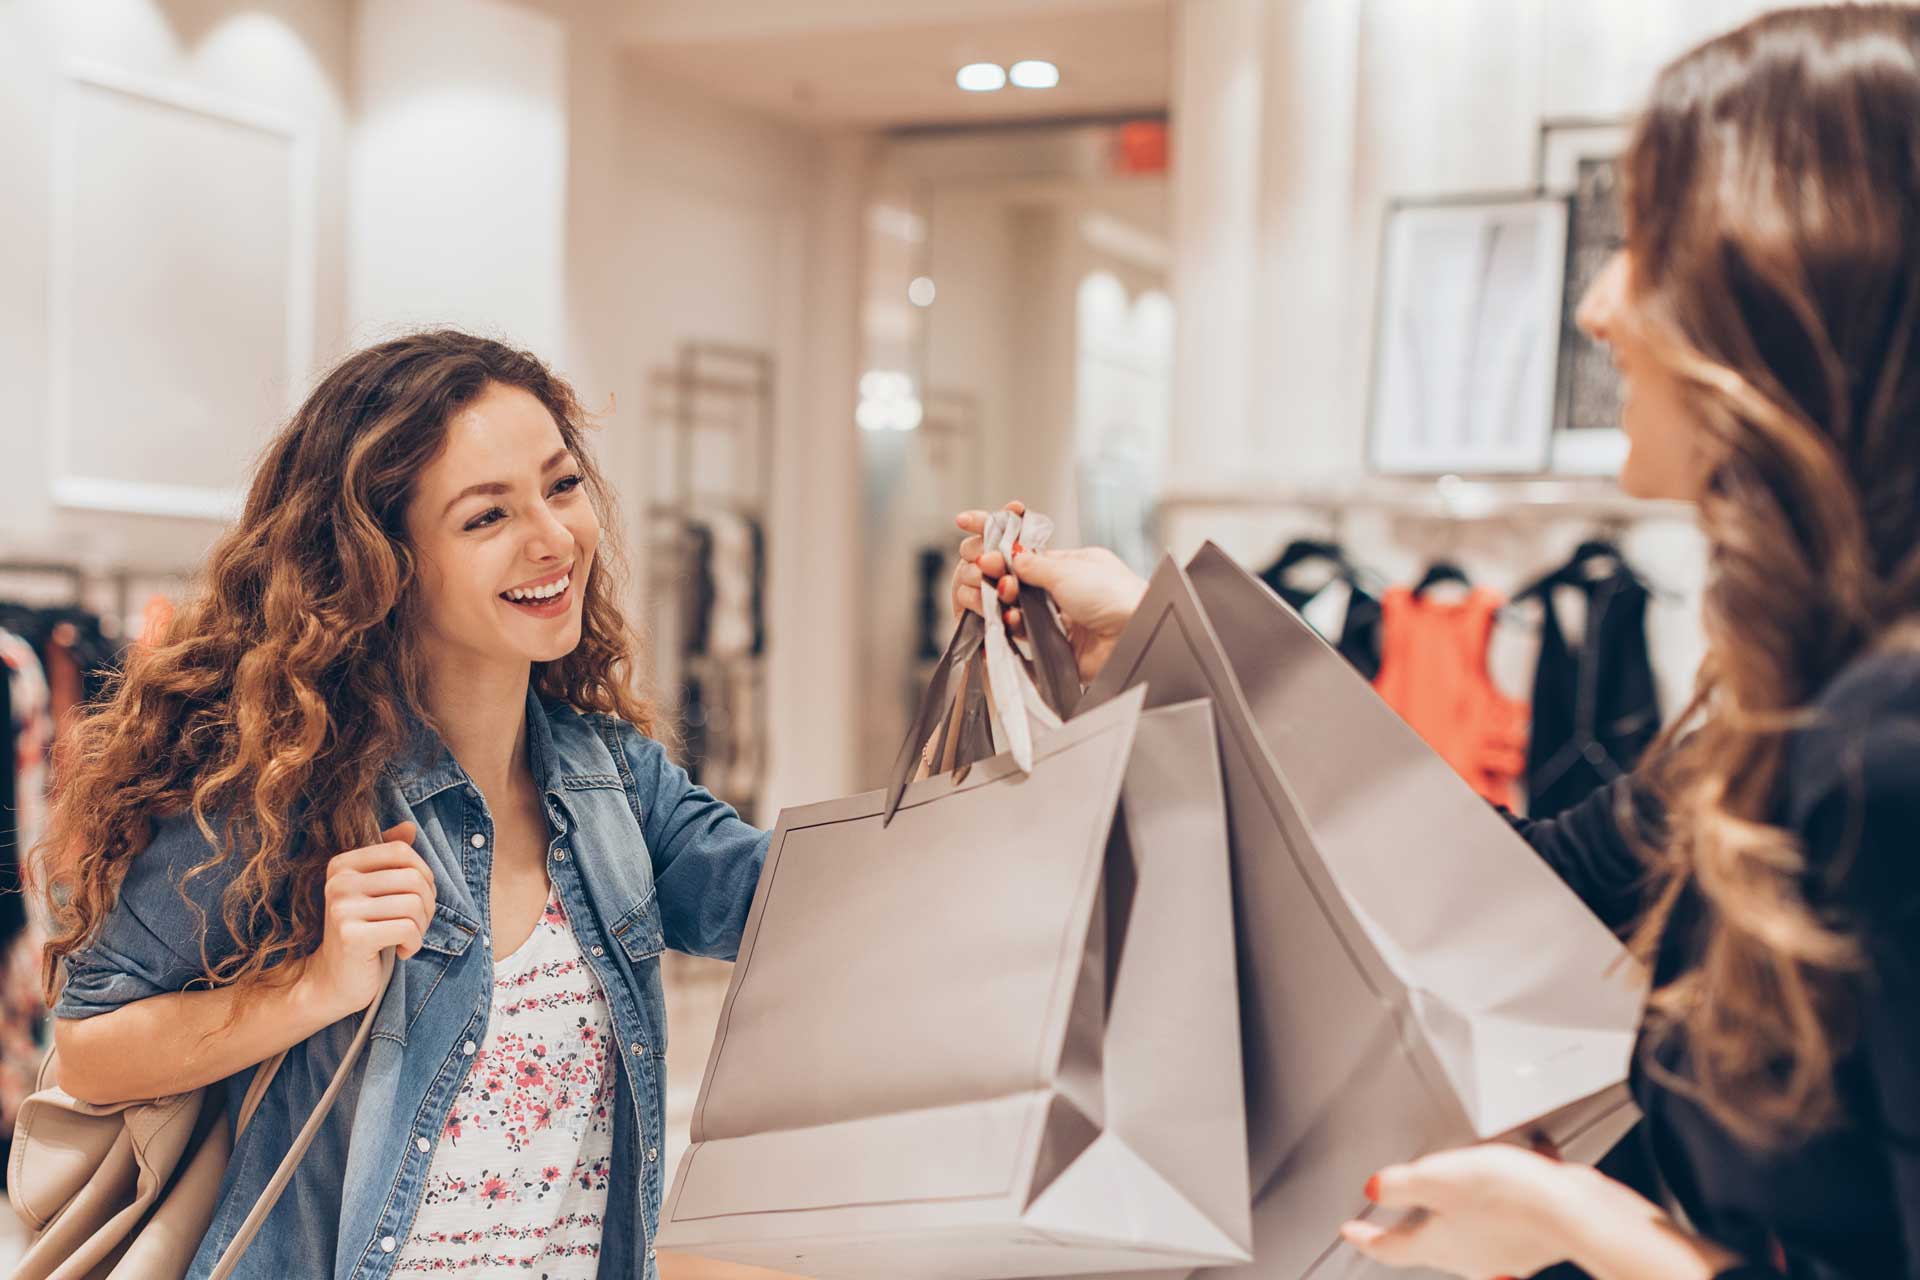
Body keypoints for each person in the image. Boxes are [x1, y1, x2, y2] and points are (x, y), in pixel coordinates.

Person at [953, 6, 1920, 1278]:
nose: (1596, 303)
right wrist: (1156, 632)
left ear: (1795, 285)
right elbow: (1482, 887)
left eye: (1647, 240)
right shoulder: (1780, 717)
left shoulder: (1884, 747)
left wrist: (1574, 1224)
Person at [38, 331, 768, 1279]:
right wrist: (313, 989)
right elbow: (92, 1052)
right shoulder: (277, 789)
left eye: (560, 485)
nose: (553, 538)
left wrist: (1014, 705)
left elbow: (800, 912)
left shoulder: (613, 783)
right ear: (383, 561)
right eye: (485, 518)